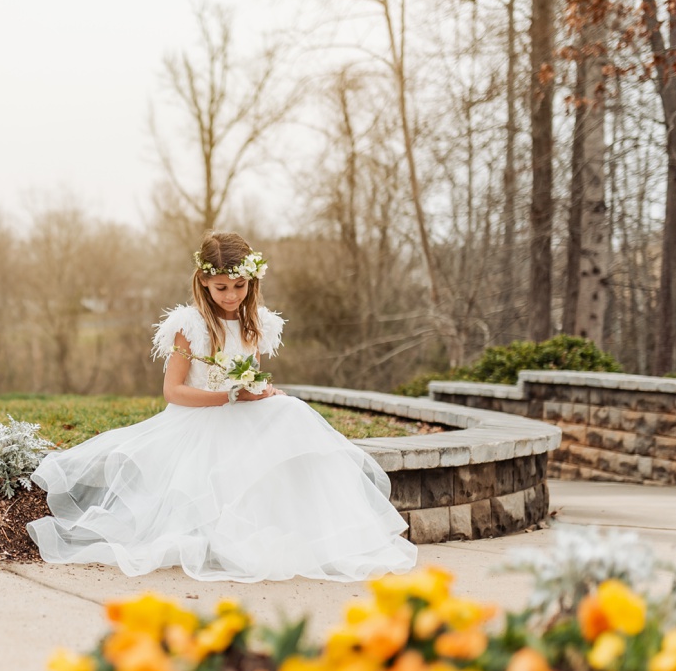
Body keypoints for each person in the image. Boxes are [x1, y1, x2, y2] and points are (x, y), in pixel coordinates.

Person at [24, 231, 417, 583]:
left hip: (240, 409)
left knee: (294, 411)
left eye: (239, 286)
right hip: (198, 418)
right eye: (221, 287)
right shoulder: (189, 325)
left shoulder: (255, 324)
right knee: (242, 444)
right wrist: (227, 398)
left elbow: (250, 377)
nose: (231, 295)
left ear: (252, 281)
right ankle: (231, 537)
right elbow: (174, 391)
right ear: (203, 284)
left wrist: (263, 392)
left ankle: (318, 532)